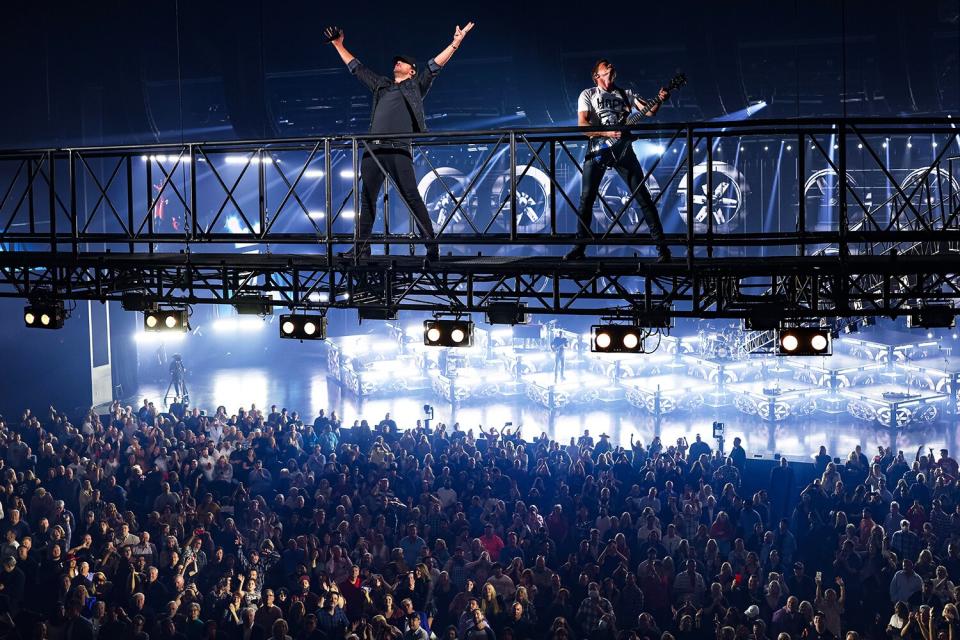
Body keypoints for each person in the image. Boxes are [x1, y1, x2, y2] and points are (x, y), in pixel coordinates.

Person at [322, 22, 475, 261]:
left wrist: (455, 43)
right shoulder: (382, 86)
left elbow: (435, 66)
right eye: (396, 61)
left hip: (398, 150)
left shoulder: (416, 86)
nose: (397, 63)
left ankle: (431, 244)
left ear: (412, 70)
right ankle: (362, 246)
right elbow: (357, 68)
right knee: (367, 198)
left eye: (402, 62)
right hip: (373, 150)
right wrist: (339, 45)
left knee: (411, 196)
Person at [567, 58, 670, 263]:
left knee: (643, 197)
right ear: (597, 75)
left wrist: (660, 98)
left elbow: (650, 111)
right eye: (606, 66)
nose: (611, 66)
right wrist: (606, 132)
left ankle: (662, 249)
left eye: (611, 65)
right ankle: (579, 248)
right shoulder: (588, 94)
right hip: (598, 150)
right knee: (586, 199)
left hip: (624, 151)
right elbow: (582, 125)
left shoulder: (626, 94)